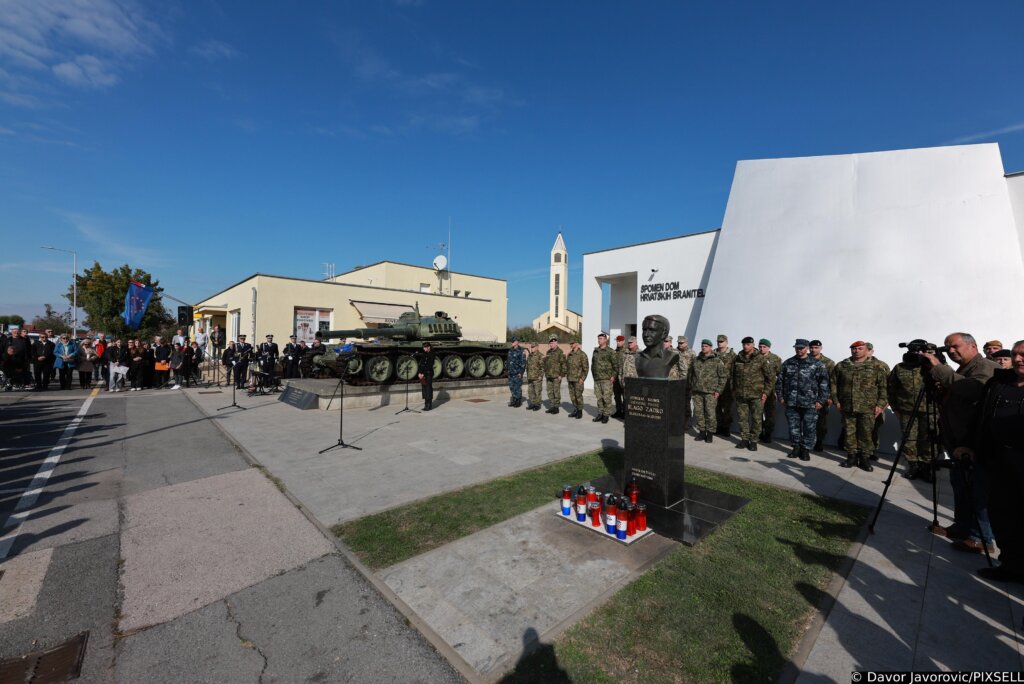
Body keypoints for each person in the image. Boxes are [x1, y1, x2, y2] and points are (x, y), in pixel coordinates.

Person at [920, 332, 999, 552]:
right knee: (961, 487)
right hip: (958, 443)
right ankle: (962, 528)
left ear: (972, 346)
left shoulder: (986, 367)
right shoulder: (965, 368)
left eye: (954, 346)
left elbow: (972, 390)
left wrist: (938, 366)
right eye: (947, 349)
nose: (951, 351)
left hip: (974, 443)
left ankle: (982, 538)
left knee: (977, 491)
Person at [959, 340, 1024, 583]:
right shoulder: (999, 382)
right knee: (1002, 516)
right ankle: (1010, 566)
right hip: (997, 460)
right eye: (1015, 354)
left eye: (1023, 355)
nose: (1018, 359)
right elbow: (980, 416)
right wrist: (967, 443)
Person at [831, 341, 887, 471]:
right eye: (854, 349)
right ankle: (851, 457)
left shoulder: (877, 366)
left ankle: (864, 459)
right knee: (849, 433)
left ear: (867, 350)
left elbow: (884, 387)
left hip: (868, 407)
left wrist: (881, 404)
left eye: (860, 348)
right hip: (847, 406)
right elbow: (833, 384)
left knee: (866, 433)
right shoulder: (842, 365)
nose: (856, 351)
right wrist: (836, 401)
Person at [775, 339, 829, 461]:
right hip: (791, 402)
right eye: (797, 348)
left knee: (809, 428)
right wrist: (781, 398)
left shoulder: (817, 364)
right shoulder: (788, 363)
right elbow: (780, 382)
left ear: (807, 348)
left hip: (810, 403)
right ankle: (796, 448)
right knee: (793, 427)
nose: (799, 350)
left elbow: (824, 384)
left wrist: (821, 401)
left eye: (802, 348)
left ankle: (805, 449)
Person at [887, 350, 933, 481]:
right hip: (906, 409)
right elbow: (891, 388)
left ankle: (926, 467)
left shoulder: (932, 365)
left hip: (929, 409)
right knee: (909, 438)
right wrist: (894, 407)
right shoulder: (900, 367)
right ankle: (913, 466)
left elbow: (945, 381)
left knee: (929, 438)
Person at [732, 336, 772, 451]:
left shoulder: (761, 359)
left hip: (756, 395)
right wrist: (733, 389)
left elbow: (770, 378)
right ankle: (744, 439)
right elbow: (733, 375)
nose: (745, 346)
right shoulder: (738, 358)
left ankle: (754, 440)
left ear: (753, 345)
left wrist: (766, 393)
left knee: (756, 419)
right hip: (741, 394)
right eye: (744, 344)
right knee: (742, 418)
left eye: (748, 344)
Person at [691, 339, 726, 443]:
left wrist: (718, 390)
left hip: (711, 392)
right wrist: (691, 387)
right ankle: (702, 432)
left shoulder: (717, 360)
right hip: (697, 391)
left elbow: (723, 377)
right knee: (699, 413)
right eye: (702, 346)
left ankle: (710, 434)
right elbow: (691, 374)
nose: (703, 347)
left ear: (711, 347)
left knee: (710, 413)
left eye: (706, 346)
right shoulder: (697, 359)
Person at [807, 340, 835, 451]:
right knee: (805, 420)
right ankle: (806, 441)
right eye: (812, 347)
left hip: (822, 397)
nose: (813, 350)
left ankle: (819, 441)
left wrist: (831, 397)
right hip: (806, 396)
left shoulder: (828, 363)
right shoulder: (804, 359)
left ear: (821, 348)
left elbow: (833, 381)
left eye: (816, 348)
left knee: (821, 421)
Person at [758, 339, 783, 444]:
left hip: (771, 390)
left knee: (770, 413)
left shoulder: (775, 359)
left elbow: (780, 375)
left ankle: (767, 434)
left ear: (769, 347)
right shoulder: (755, 357)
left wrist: (778, 391)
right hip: (757, 389)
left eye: (764, 347)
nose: (762, 349)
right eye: (760, 346)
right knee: (757, 413)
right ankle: (758, 433)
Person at [591, 332, 617, 423]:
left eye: (601, 339)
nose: (599, 340)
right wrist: (593, 376)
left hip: (606, 379)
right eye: (598, 339)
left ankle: (606, 415)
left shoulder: (610, 351)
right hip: (597, 379)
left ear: (605, 340)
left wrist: (613, 376)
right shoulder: (596, 351)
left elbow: (615, 365)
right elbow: (593, 364)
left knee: (607, 398)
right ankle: (600, 413)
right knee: (599, 398)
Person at [715, 334, 737, 436]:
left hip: (728, 386)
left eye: (722, 341)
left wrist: (734, 387)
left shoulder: (733, 355)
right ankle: (718, 426)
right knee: (716, 407)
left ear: (726, 342)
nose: (720, 343)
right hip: (715, 385)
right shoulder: (714, 353)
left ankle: (726, 428)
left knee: (727, 408)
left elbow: (735, 371)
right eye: (718, 341)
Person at [565, 340, 590, 419]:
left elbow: (586, 368)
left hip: (578, 379)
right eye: (570, 343)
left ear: (577, 344)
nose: (571, 345)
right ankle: (575, 409)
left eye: (573, 343)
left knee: (578, 396)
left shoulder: (582, 355)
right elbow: (567, 366)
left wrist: (582, 378)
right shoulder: (570, 354)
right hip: (570, 379)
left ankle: (580, 411)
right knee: (572, 396)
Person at [675, 335, 696, 426]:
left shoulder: (691, 353)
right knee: (675, 403)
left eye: (682, 343)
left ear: (686, 343)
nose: (680, 345)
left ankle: (685, 423)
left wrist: (692, 383)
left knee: (686, 403)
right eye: (679, 343)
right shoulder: (674, 352)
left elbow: (695, 369)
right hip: (675, 382)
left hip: (686, 382)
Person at [543, 337, 567, 414]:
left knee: (556, 392)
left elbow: (564, 364)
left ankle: (556, 407)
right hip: (549, 375)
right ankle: (552, 406)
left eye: (553, 343)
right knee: (550, 392)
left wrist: (561, 375)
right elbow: (546, 364)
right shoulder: (548, 352)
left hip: (556, 376)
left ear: (556, 343)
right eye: (550, 343)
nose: (551, 344)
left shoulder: (560, 352)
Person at [506, 337, 526, 407]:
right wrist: (507, 370)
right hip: (511, 372)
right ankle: (514, 400)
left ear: (517, 342)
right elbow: (508, 361)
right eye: (512, 341)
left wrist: (521, 372)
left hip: (517, 373)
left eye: (513, 341)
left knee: (517, 387)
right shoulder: (510, 351)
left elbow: (523, 363)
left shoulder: (521, 351)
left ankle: (518, 401)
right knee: (512, 387)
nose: (512, 343)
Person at [525, 342, 545, 411]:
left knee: (537, 392)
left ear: (537, 347)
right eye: (531, 347)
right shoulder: (530, 355)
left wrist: (541, 376)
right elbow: (527, 366)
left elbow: (543, 367)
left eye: (533, 347)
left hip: (537, 377)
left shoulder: (540, 355)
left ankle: (537, 405)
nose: (532, 348)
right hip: (530, 377)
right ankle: (533, 403)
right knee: (530, 392)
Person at [611, 335, 627, 418]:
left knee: (625, 396)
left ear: (623, 341)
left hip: (624, 378)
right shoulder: (615, 352)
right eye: (617, 341)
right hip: (616, 378)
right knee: (616, 395)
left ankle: (625, 412)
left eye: (619, 341)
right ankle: (618, 411)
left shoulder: (627, 351)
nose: (618, 342)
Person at [417, 341, 435, 411]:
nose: (424, 349)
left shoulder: (432, 354)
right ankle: (426, 404)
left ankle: (429, 405)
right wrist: (419, 373)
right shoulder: (424, 354)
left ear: (429, 347)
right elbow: (421, 364)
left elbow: (429, 365)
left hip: (428, 374)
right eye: (423, 347)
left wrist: (423, 373)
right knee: (424, 389)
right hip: (423, 374)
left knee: (428, 389)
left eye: (425, 347)